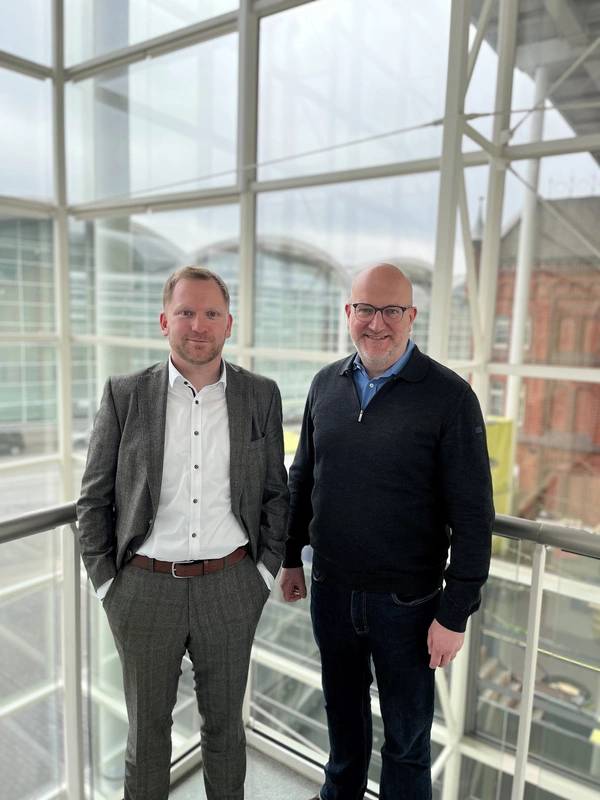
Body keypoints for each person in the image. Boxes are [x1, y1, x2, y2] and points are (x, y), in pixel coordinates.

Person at [280, 263, 494, 800]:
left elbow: (473, 514)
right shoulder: (324, 384)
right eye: (365, 310)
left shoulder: (450, 397)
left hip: (409, 605)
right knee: (343, 727)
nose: (378, 323)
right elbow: (304, 476)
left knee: (406, 741)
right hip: (330, 590)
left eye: (392, 310)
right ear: (348, 313)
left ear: (411, 316)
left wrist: (455, 611)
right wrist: (288, 555)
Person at [77, 266, 289, 800]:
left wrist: (261, 575)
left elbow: (274, 493)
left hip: (231, 586)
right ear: (164, 320)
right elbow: (94, 498)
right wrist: (109, 585)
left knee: (225, 732)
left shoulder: (260, 395)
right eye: (187, 312)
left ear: (229, 323)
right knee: (146, 736)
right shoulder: (125, 395)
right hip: (143, 592)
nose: (199, 324)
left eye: (211, 313)